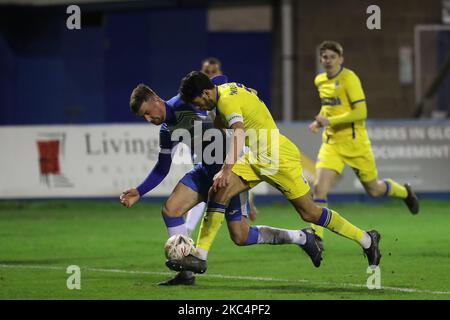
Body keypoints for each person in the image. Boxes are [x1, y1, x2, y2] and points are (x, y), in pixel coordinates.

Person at [166, 71, 382, 275]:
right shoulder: (224, 91)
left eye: (198, 103)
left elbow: (239, 132)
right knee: (217, 191)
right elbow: (235, 111)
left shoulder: (226, 100)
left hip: (277, 158)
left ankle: (366, 240)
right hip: (257, 155)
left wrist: (226, 169)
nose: (200, 108)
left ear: (205, 93)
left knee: (310, 213)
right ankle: (200, 256)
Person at [308, 41, 419, 240]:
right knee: (319, 188)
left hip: (355, 143)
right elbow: (328, 107)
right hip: (332, 144)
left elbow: (361, 112)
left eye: (333, 57)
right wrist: (319, 121)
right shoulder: (320, 80)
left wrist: (329, 120)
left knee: (374, 190)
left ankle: (405, 192)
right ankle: (316, 238)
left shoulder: (349, 78)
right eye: (325, 57)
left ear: (341, 59)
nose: (328, 60)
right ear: (320, 59)